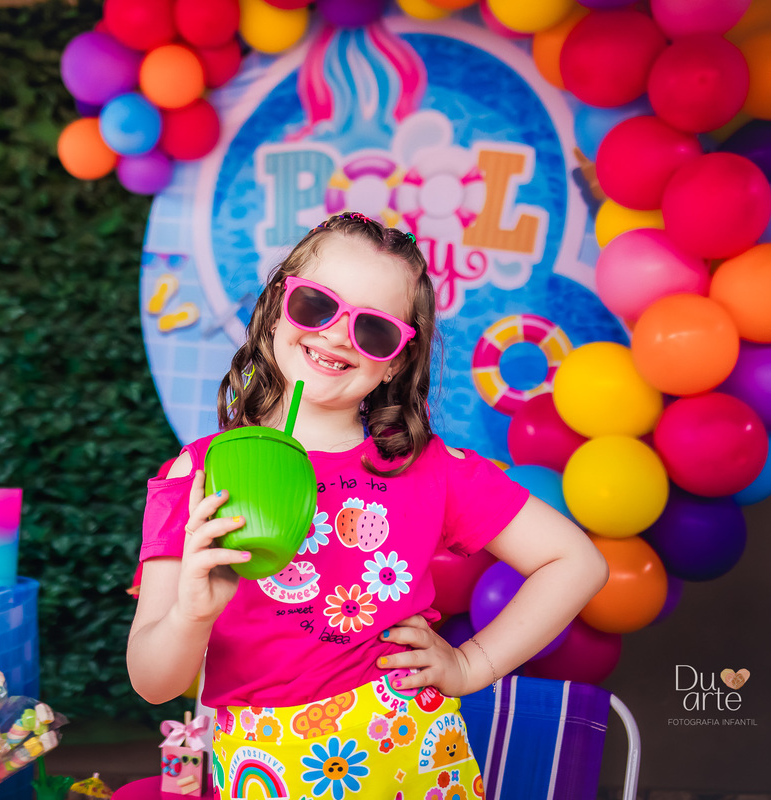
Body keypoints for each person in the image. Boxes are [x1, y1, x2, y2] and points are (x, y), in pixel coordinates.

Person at [128, 212, 608, 799]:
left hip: (416, 763)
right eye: (315, 305)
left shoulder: (430, 469)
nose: (335, 335)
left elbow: (577, 562)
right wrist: (191, 615)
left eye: (373, 330)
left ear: (397, 360)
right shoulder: (196, 474)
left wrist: (471, 665)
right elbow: (152, 682)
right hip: (263, 768)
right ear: (277, 305)